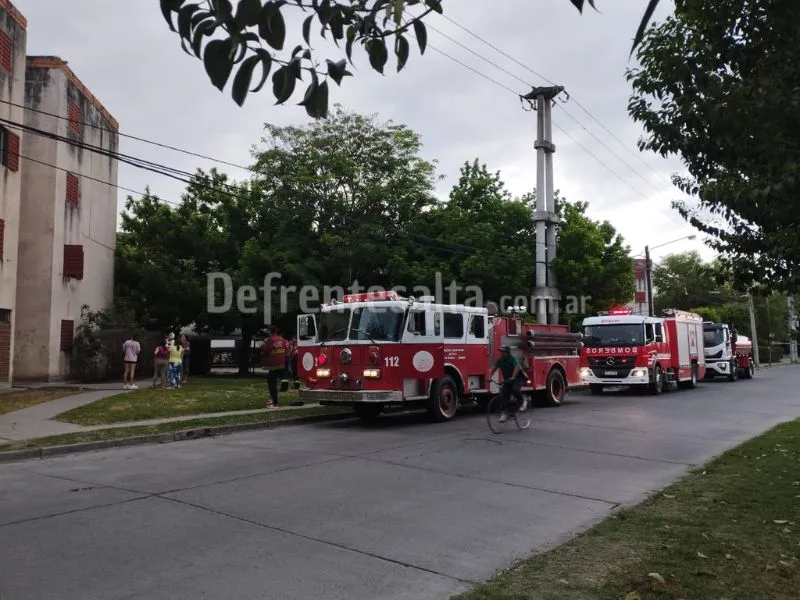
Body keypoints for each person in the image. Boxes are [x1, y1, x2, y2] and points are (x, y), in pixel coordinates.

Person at [488, 345, 529, 422]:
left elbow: (516, 367)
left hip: (517, 377)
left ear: (507, 353)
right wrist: (490, 377)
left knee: (515, 389)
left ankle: (523, 400)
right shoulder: (500, 360)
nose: (501, 353)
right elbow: (494, 368)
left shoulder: (512, 359)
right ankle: (505, 413)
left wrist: (513, 377)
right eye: (501, 352)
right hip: (508, 379)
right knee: (504, 394)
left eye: (503, 352)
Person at [261, 325, 288, 408]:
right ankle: (285, 384)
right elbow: (287, 350)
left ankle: (274, 402)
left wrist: (263, 347)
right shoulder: (283, 340)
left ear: (270, 332)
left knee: (272, 384)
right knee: (282, 376)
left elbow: (265, 350)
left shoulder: (270, 340)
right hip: (282, 363)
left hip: (273, 365)